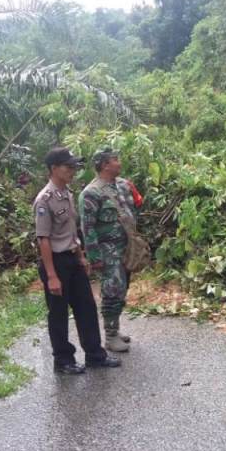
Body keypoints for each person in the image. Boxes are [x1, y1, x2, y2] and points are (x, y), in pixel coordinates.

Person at [34, 147, 121, 374]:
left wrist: (81, 256)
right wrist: (52, 276)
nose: (73, 171)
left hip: (72, 259)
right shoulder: (45, 200)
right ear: (54, 169)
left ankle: (95, 355)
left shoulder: (67, 194)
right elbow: (43, 239)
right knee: (59, 313)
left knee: (86, 308)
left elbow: (72, 231)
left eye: (74, 166)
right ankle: (63, 361)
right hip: (55, 262)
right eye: (68, 167)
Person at [79, 147, 139, 353]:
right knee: (112, 290)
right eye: (116, 159)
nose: (119, 162)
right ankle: (110, 336)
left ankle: (116, 328)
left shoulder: (122, 185)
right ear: (105, 165)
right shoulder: (91, 192)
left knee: (123, 288)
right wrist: (94, 257)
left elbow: (132, 209)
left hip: (126, 247)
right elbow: (87, 228)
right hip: (108, 249)